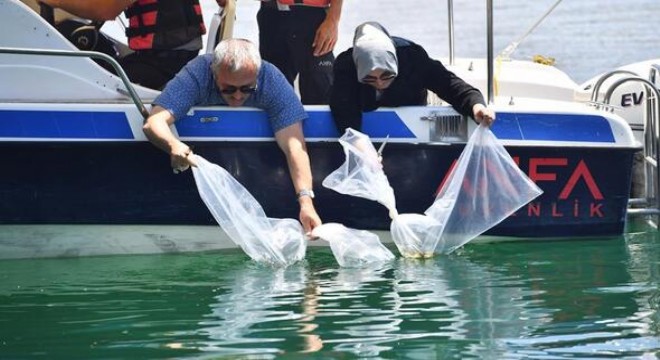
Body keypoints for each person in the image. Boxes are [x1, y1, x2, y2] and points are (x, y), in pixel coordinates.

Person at [142, 38, 322, 234]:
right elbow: (154, 122)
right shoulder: (197, 73)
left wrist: (306, 203)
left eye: (247, 88)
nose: (237, 96)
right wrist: (174, 146)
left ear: (257, 75)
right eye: (228, 89)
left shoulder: (272, 80)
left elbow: (294, 146)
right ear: (214, 72)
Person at [330, 22, 495, 132]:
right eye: (369, 79)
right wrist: (362, 150)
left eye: (387, 76)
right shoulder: (346, 67)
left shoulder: (413, 59)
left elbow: (450, 85)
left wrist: (476, 105)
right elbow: (344, 109)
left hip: (413, 119)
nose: (380, 83)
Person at [38, 0, 209, 90]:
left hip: (166, 62)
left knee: (90, 83)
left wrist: (57, 2)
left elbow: (106, 10)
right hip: (171, 55)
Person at [218, 0, 343, 105]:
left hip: (314, 18)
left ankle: (321, 133)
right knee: (275, 94)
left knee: (320, 92)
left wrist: (333, 19)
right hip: (272, 17)